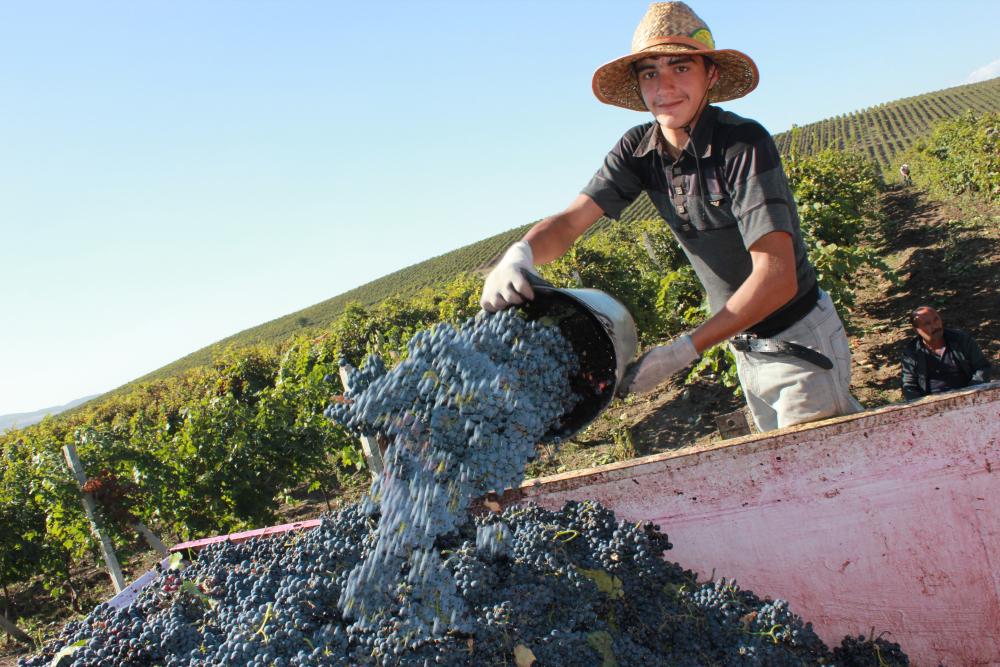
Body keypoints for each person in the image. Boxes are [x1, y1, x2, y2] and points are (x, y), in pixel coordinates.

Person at [480, 1, 862, 432]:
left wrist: (683, 351)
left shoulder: (742, 144)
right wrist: (520, 253)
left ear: (710, 75)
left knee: (820, 477)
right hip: (744, 346)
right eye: (650, 72)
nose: (664, 86)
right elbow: (570, 222)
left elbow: (777, 277)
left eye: (681, 68)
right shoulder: (637, 150)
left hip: (798, 341)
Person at [900, 306, 991, 400]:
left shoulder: (961, 340)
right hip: (932, 403)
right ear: (916, 330)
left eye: (936, 319)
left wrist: (971, 392)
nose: (935, 326)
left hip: (968, 397)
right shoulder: (912, 352)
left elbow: (981, 367)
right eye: (927, 324)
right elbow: (909, 384)